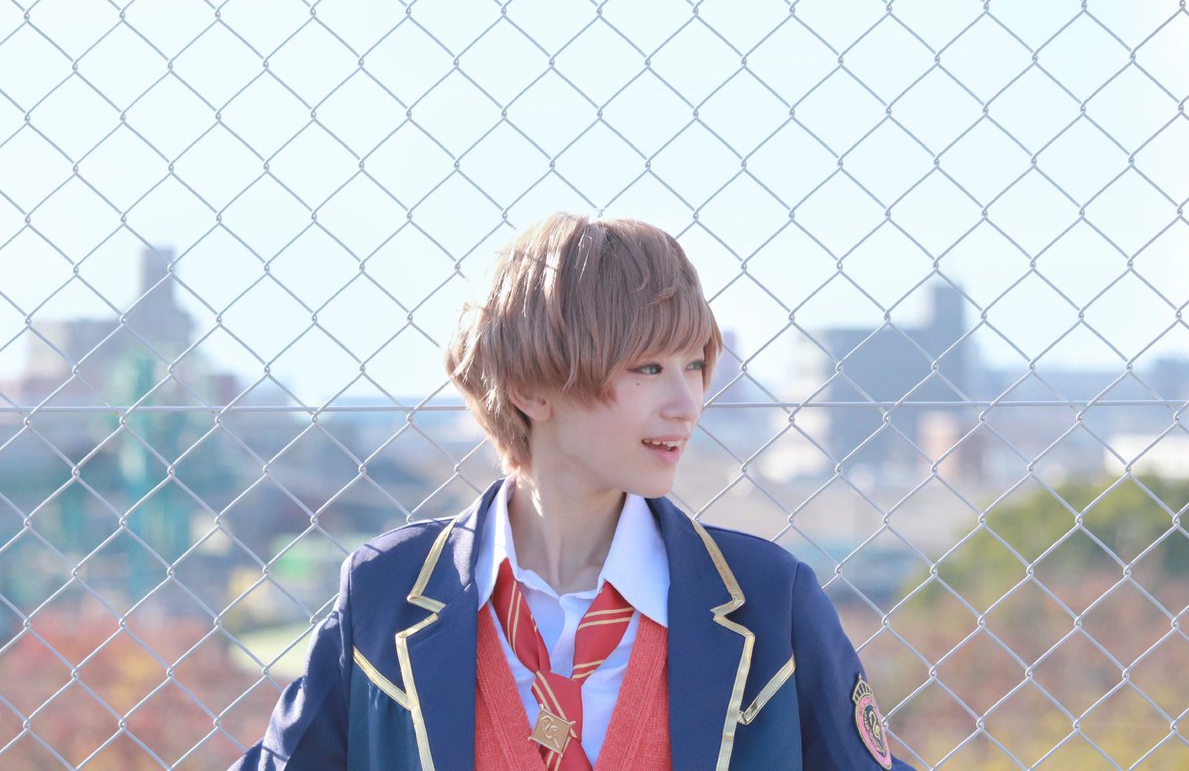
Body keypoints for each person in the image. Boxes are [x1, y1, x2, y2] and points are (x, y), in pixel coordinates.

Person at [231, 213, 913, 770]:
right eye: (648, 368)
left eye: (695, 365)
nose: (686, 404)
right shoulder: (386, 594)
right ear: (531, 388)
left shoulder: (769, 601)